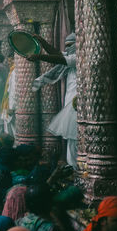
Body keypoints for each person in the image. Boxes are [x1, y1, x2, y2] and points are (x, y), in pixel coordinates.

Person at [28, 33, 77, 169]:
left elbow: (60, 59)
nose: (69, 48)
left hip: (79, 104)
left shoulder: (79, 57)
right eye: (66, 46)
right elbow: (56, 54)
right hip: (70, 103)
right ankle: (73, 168)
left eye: (71, 46)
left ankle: (78, 169)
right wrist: (42, 41)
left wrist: (39, 57)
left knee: (77, 137)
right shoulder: (70, 56)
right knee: (72, 138)